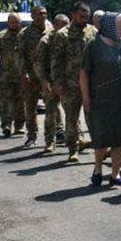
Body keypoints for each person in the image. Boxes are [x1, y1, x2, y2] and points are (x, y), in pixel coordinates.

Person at [81, 12, 121, 186]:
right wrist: (86, 97)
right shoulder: (93, 45)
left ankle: (115, 174)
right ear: (108, 26)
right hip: (101, 100)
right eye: (119, 26)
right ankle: (98, 169)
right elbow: (84, 72)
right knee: (102, 138)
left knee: (120, 138)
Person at [51, 2, 97, 162]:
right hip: (70, 84)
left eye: (86, 16)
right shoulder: (62, 34)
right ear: (73, 15)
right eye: (81, 16)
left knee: (94, 118)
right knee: (71, 118)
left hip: (91, 85)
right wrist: (58, 83)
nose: (84, 19)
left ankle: (100, 148)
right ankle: (73, 149)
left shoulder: (93, 32)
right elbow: (56, 61)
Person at [19, 6, 54, 148]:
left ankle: (51, 137)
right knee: (31, 107)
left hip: (48, 75)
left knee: (51, 107)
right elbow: (20, 55)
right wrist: (24, 72)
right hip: (32, 75)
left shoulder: (51, 30)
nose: (43, 16)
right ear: (33, 16)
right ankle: (32, 136)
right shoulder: (25, 34)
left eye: (45, 13)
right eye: (40, 14)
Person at [0, 12, 25, 137]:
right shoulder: (1, 36)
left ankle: (19, 126)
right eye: (13, 22)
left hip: (22, 76)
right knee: (5, 101)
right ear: (8, 23)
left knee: (21, 103)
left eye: (18, 22)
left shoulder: (24, 36)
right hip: (6, 76)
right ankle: (6, 125)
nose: (16, 24)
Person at [35, 13, 69, 151]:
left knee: (71, 114)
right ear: (55, 25)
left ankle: (75, 141)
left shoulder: (69, 38)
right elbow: (38, 63)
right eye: (62, 26)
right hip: (50, 82)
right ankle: (49, 142)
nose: (65, 29)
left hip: (68, 82)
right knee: (50, 113)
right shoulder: (46, 40)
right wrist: (44, 81)